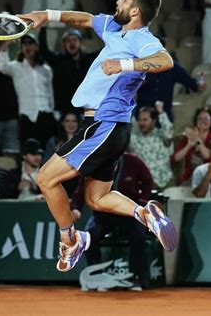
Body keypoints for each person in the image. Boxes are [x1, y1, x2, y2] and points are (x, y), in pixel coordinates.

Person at [19, 0, 178, 272]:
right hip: (108, 128)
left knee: (45, 178)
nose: (118, 0)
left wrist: (124, 65)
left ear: (134, 10)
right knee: (97, 198)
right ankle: (145, 214)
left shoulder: (141, 37)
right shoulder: (115, 29)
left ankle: (70, 240)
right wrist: (45, 15)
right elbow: (83, 19)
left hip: (103, 124)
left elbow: (165, 60)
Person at [70, 152, 154, 291]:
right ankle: (97, 277)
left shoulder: (133, 161)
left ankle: (134, 278)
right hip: (103, 214)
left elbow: (148, 182)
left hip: (128, 212)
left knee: (139, 236)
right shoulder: (94, 165)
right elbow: (81, 190)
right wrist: (76, 208)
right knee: (89, 237)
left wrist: (142, 203)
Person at [0, 33, 57, 148]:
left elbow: (50, 93)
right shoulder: (16, 67)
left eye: (30, 43)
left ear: (36, 47)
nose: (27, 46)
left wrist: (53, 113)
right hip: (26, 116)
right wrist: (6, 45)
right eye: (24, 44)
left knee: (47, 150)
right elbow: (2, 67)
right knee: (28, 151)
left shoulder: (46, 69)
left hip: (45, 114)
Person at [136, 37, 205, 122]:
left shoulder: (172, 66)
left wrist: (198, 86)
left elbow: (189, 81)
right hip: (143, 115)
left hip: (164, 114)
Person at [39, 27, 100, 115]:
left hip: (85, 110)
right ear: (64, 44)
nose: (71, 43)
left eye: (74, 40)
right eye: (68, 41)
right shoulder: (58, 61)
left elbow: (105, 50)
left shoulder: (89, 60)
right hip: (64, 111)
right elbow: (43, 51)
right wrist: (43, 28)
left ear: (80, 43)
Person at [5, 0, 75, 49]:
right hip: (31, 22)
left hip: (51, 24)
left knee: (48, 53)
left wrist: (52, 15)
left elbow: (69, 2)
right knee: (28, 50)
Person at [129, 101, 174, 189]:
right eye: (139, 120)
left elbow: (169, 133)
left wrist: (161, 112)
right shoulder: (133, 138)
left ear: (153, 121)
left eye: (145, 120)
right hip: (143, 184)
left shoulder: (161, 135)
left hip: (164, 183)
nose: (141, 123)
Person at [171, 108, 211, 185]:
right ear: (195, 122)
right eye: (200, 118)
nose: (203, 121)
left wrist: (197, 139)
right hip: (189, 179)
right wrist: (188, 145)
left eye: (206, 118)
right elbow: (176, 158)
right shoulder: (188, 138)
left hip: (209, 179)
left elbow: (207, 156)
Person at [42, 111, 80, 196]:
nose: (71, 124)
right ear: (62, 123)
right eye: (67, 121)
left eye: (74, 121)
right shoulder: (54, 141)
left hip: (78, 178)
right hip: (59, 177)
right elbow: (45, 164)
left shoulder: (84, 141)